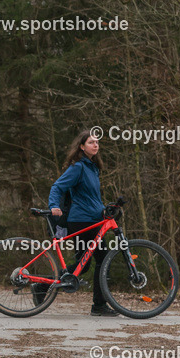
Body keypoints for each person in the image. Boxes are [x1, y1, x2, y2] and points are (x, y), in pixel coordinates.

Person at [49, 130, 115, 317]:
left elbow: (90, 198)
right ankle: (99, 306)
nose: (96, 145)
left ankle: (41, 285)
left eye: (97, 142)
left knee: (83, 266)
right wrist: (53, 205)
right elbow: (58, 186)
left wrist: (104, 209)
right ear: (81, 146)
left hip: (93, 220)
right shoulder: (78, 167)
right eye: (91, 142)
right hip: (81, 221)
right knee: (104, 258)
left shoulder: (93, 168)